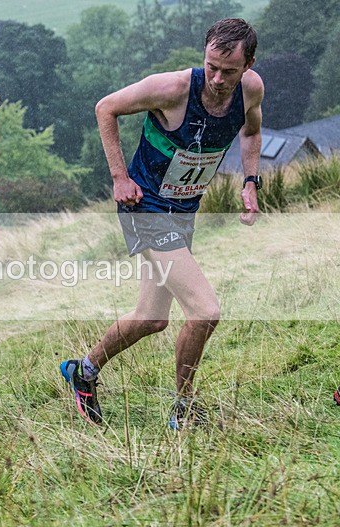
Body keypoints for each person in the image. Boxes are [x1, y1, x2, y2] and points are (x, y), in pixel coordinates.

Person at [59, 18, 264, 429]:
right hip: (145, 206)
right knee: (205, 311)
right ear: (203, 55)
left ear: (249, 64)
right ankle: (184, 409)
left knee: (151, 318)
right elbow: (106, 108)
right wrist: (119, 177)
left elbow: (251, 132)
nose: (218, 78)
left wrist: (250, 182)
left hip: (182, 211)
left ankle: (83, 370)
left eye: (229, 70)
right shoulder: (172, 88)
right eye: (212, 66)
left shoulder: (251, 89)